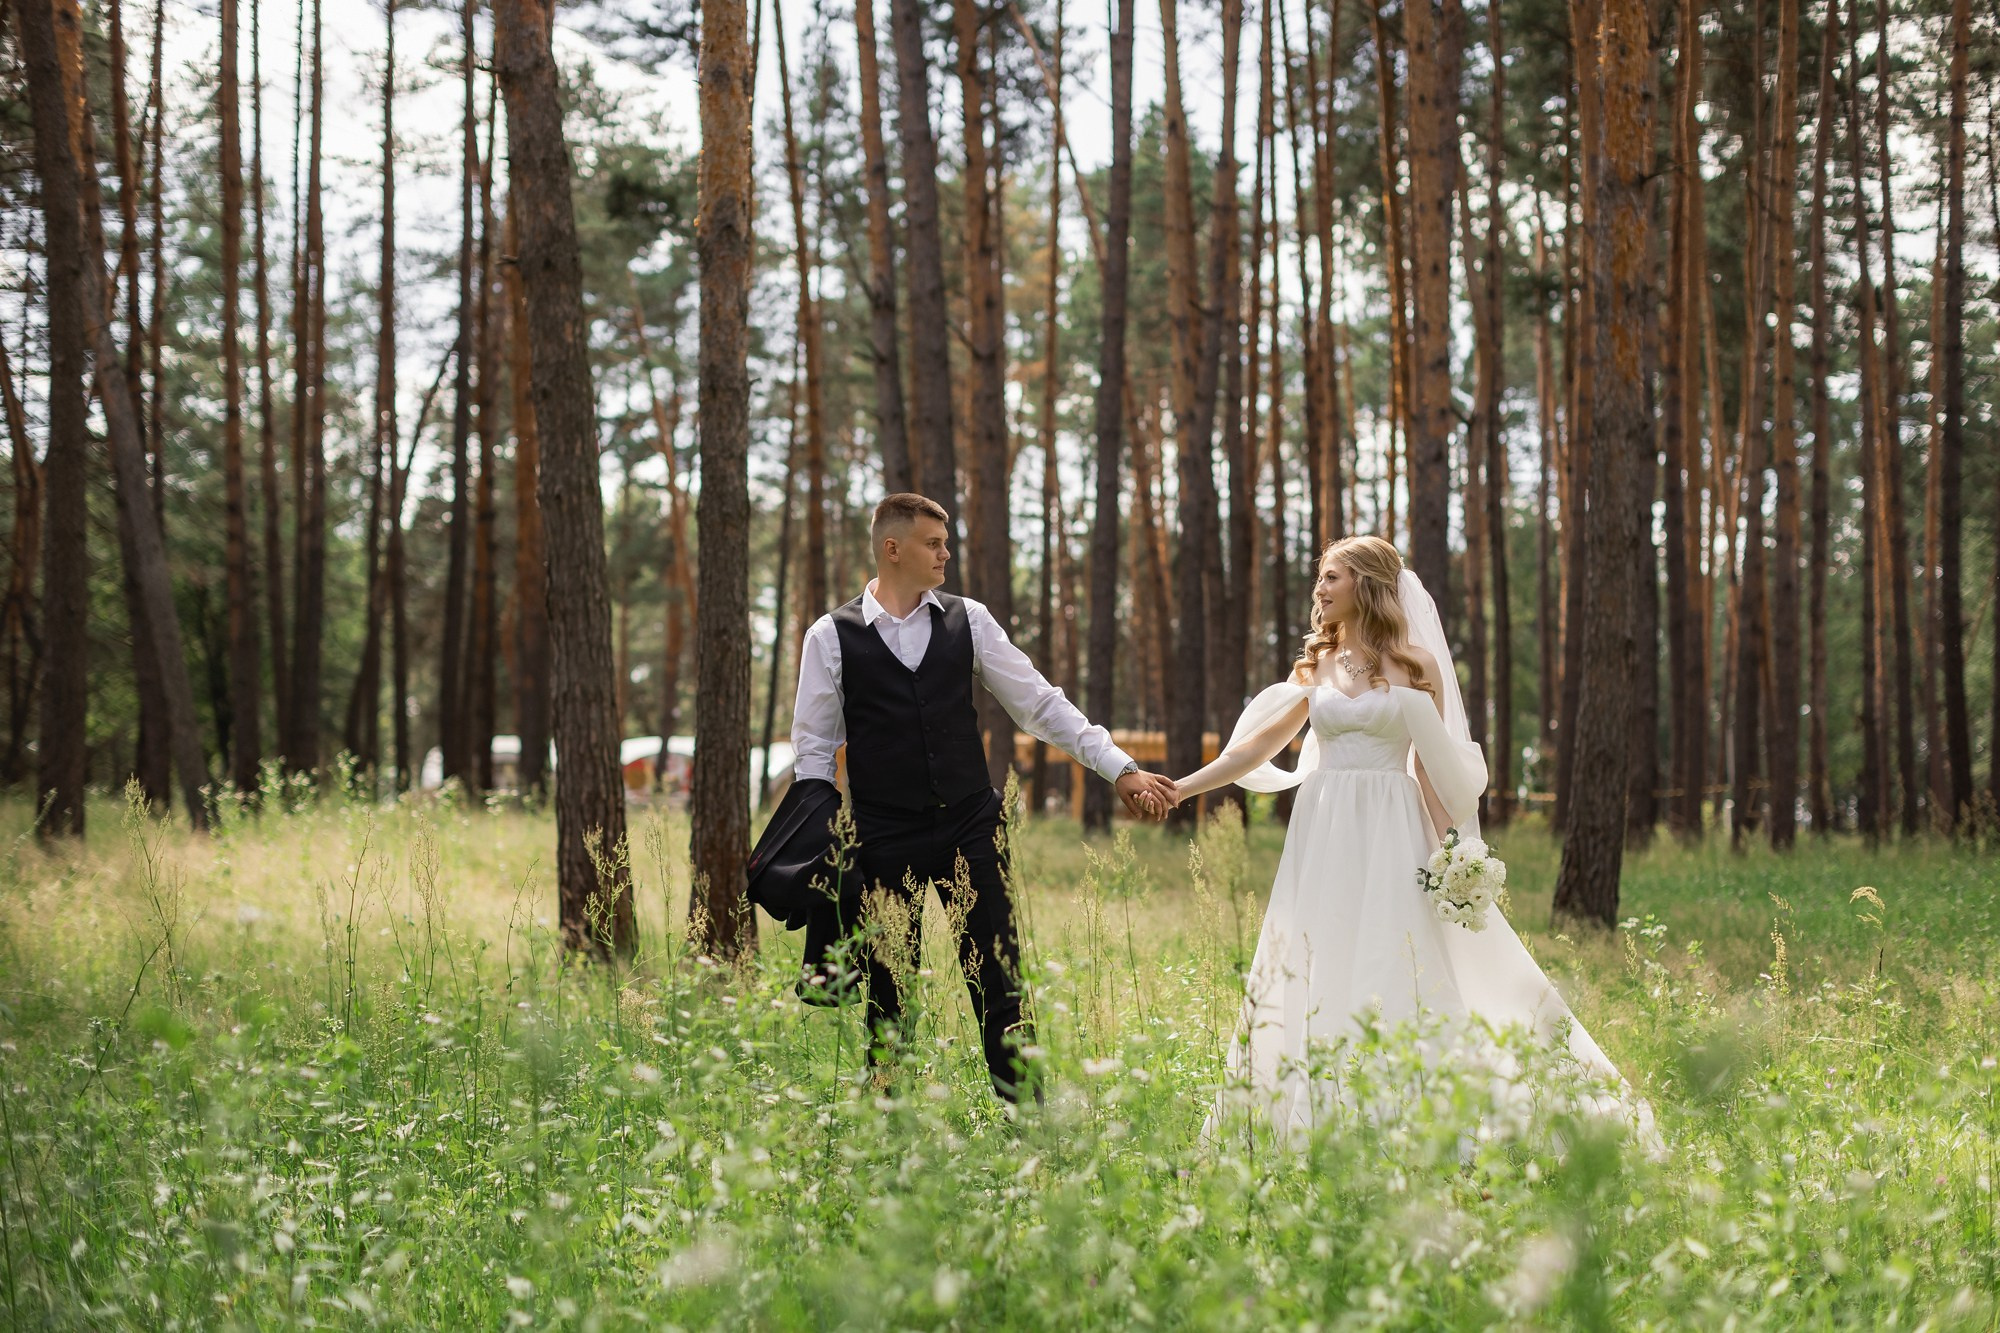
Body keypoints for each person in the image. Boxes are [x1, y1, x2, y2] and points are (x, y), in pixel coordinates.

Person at [1168, 535, 1626, 1140]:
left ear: (1366, 583)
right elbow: (1256, 747)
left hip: (1392, 824)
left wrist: (1452, 851)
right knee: (1316, 952)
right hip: (1324, 825)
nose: (1320, 589)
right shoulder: (1317, 663)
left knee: (1398, 952)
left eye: (1332, 577)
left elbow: (1430, 767)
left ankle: (1414, 1118)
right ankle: (1310, 1115)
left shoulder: (1416, 665)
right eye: (1320, 578)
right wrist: (1182, 789)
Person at [790, 493, 1177, 1102]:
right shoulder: (830, 636)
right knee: (888, 992)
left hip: (971, 824)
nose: (946, 554)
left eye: (946, 543)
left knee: (1001, 979)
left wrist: (1118, 766)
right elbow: (813, 751)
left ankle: (1029, 1122)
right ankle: (889, 1126)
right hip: (883, 836)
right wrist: (813, 845)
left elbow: (1039, 702)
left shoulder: (967, 618)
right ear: (893, 549)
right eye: (933, 544)